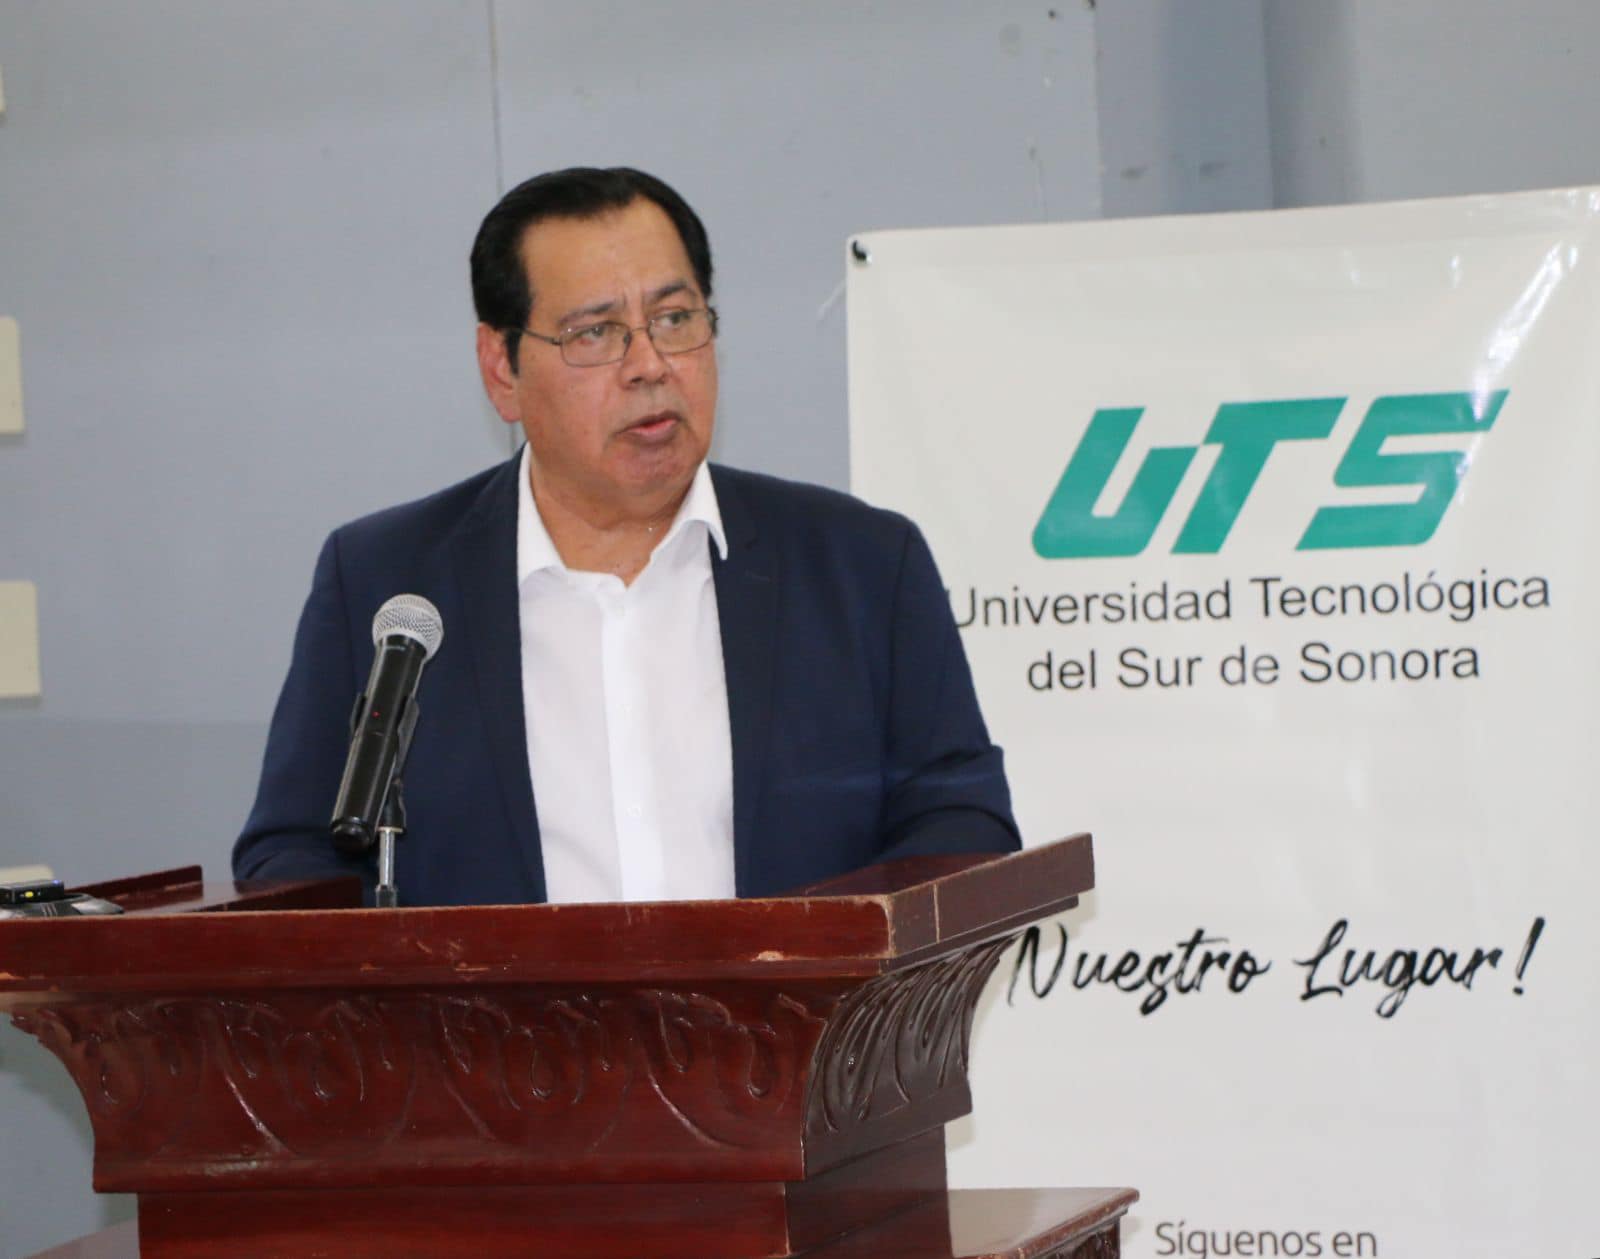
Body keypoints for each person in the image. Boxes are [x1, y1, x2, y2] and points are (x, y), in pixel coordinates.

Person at [233, 166, 1017, 905]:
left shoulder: (863, 568)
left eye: (674, 319)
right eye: (596, 333)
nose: (650, 364)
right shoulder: (387, 586)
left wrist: (826, 970)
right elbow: (293, 862)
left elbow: (960, 828)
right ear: (502, 369)